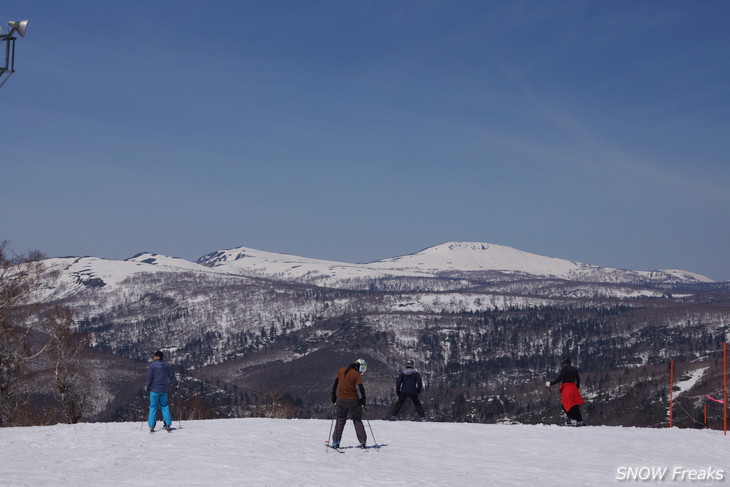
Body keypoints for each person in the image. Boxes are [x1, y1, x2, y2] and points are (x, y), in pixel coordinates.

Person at [330, 358, 368, 449]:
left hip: (341, 400)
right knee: (357, 420)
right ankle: (363, 442)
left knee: (340, 420)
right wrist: (362, 400)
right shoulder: (356, 374)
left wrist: (334, 397)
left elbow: (335, 384)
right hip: (353, 401)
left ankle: (336, 442)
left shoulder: (341, 370)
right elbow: (361, 388)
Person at [145, 350, 179, 432]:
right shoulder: (166, 366)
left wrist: (147, 386)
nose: (153, 357)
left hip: (154, 390)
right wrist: (176, 384)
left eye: (154, 356)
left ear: (157, 357)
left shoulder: (152, 366)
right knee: (165, 406)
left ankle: (152, 426)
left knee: (153, 407)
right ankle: (167, 424)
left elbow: (150, 377)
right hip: (164, 390)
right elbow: (171, 376)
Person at [546, 356, 585, 426]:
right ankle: (579, 420)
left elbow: (559, 379)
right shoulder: (574, 369)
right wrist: (577, 387)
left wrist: (550, 383)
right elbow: (578, 379)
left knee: (565, 405)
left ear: (563, 363)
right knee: (575, 405)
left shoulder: (564, 369)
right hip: (574, 388)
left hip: (567, 389)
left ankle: (572, 419)